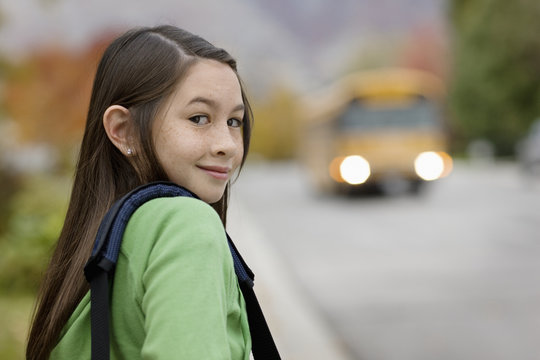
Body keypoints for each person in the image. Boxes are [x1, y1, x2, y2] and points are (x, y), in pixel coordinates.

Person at [27, 25, 255, 359]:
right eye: (199, 117)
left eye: (234, 122)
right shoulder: (187, 225)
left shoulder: (97, 250)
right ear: (124, 131)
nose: (227, 146)